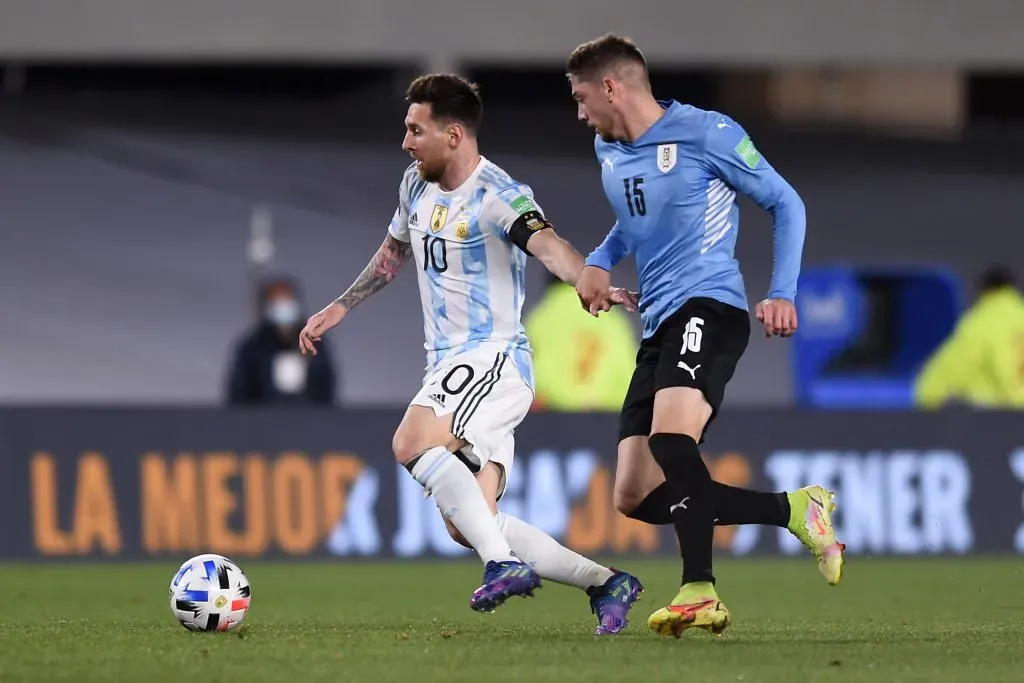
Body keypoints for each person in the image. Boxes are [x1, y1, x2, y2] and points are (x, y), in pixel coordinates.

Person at [298, 73, 644, 634]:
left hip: (495, 358)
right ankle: (605, 582)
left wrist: (592, 279)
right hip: (453, 364)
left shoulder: (499, 195)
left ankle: (502, 565)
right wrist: (341, 307)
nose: (406, 142)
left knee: (410, 441)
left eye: (416, 130)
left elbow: (551, 248)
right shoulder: (414, 184)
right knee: (471, 521)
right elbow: (392, 253)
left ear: (454, 134)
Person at [566, 34, 846, 638]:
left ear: (612, 87)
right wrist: (597, 259)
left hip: (710, 306)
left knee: (672, 439)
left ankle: (700, 589)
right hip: (657, 322)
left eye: (583, 97)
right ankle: (795, 510)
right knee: (634, 496)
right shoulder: (606, 150)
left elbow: (785, 202)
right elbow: (635, 219)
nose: (581, 113)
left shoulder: (708, 133)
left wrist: (783, 292)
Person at [524, 270, 637, 411]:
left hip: (556, 414)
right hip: (610, 413)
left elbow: (525, 365)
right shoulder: (614, 319)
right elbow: (629, 365)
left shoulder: (544, 315)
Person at [914, 265, 1024, 409]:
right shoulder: (1017, 316)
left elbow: (935, 385)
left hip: (987, 418)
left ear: (983, 290)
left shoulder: (980, 322)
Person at [226, 275, 337, 406]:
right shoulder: (252, 347)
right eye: (277, 301)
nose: (283, 307)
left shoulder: (315, 342)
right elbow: (239, 390)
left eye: (287, 300)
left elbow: (326, 384)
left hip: (308, 418)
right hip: (263, 420)